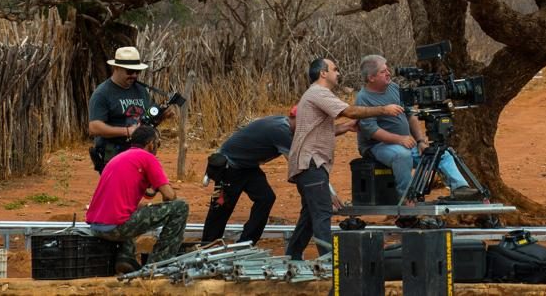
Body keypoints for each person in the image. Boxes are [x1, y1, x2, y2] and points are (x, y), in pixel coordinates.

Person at [284, 57, 405, 260]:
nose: (338, 73)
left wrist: (347, 128)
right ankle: (329, 262)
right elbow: (350, 111)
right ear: (323, 73)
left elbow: (320, 130)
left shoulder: (314, 95)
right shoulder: (319, 93)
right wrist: (384, 109)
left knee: (309, 215)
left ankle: (292, 256)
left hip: (309, 163)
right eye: (335, 69)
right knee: (322, 213)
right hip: (311, 162)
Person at [200, 107, 346, 244]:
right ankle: (208, 245)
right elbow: (302, 165)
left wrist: (346, 126)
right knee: (222, 206)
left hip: (248, 166)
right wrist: (327, 191)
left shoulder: (287, 126)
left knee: (266, 198)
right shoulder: (281, 132)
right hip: (230, 166)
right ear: (295, 118)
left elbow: (314, 138)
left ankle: (246, 242)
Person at [355, 54, 481, 202]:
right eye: (383, 71)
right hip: (377, 146)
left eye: (387, 69)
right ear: (371, 78)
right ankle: (407, 199)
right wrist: (400, 139)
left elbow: (410, 115)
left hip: (405, 142)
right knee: (401, 155)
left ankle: (460, 188)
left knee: (440, 153)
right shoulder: (363, 98)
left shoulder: (394, 88)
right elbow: (371, 131)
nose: (389, 73)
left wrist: (420, 140)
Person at [85, 125, 189, 274]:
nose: (157, 148)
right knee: (181, 207)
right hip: (116, 228)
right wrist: (165, 191)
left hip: (96, 227)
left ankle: (126, 257)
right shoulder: (148, 158)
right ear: (151, 143)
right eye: (157, 144)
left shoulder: (118, 158)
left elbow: (147, 193)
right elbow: (170, 196)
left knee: (135, 208)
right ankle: (159, 264)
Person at [87, 46, 171, 171]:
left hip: (140, 153)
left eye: (137, 72)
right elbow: (94, 127)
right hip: (114, 155)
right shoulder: (102, 93)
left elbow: (145, 121)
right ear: (116, 68)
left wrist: (161, 117)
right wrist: (127, 131)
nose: (134, 75)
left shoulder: (141, 90)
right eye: (129, 71)